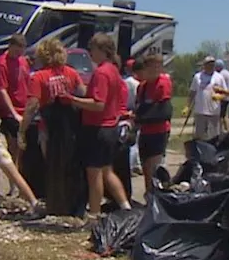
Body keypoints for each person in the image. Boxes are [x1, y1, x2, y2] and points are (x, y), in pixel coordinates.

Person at [67, 33, 131, 221]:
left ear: (103, 51)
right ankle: (125, 207)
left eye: (92, 49)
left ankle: (94, 214)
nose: (90, 53)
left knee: (93, 173)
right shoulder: (113, 71)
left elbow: (98, 104)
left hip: (98, 127)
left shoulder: (102, 72)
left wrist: (73, 100)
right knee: (107, 170)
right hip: (110, 126)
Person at [22, 37, 85, 160]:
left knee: (50, 162)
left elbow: (32, 106)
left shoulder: (38, 77)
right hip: (69, 124)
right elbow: (83, 93)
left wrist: (22, 130)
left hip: (48, 124)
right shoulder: (72, 72)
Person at [131, 53, 173, 195]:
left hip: (159, 131)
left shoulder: (163, 83)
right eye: (152, 67)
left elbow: (164, 111)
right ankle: (150, 195)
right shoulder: (142, 87)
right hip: (145, 131)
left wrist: (143, 116)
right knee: (145, 168)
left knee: (153, 166)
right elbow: (140, 107)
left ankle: (159, 195)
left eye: (158, 67)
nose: (155, 70)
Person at [0, 33, 31, 183]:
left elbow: (28, 82)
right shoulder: (2, 63)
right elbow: (2, 90)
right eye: (17, 51)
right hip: (10, 111)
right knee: (14, 146)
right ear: (11, 46)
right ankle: (13, 182)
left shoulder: (23, 61)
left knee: (25, 147)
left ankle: (21, 179)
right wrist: (13, 112)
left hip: (25, 108)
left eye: (21, 51)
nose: (19, 54)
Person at [184, 56, 229, 141]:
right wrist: (187, 106)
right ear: (204, 65)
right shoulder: (197, 77)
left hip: (214, 112)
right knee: (199, 136)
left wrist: (220, 96)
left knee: (214, 137)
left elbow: (226, 93)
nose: (211, 66)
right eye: (209, 64)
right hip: (200, 111)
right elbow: (192, 92)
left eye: (213, 64)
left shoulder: (219, 77)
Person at [215, 58, 229, 133]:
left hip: (222, 97)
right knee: (223, 115)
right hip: (227, 97)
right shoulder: (228, 73)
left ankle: (222, 130)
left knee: (220, 115)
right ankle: (226, 129)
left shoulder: (221, 74)